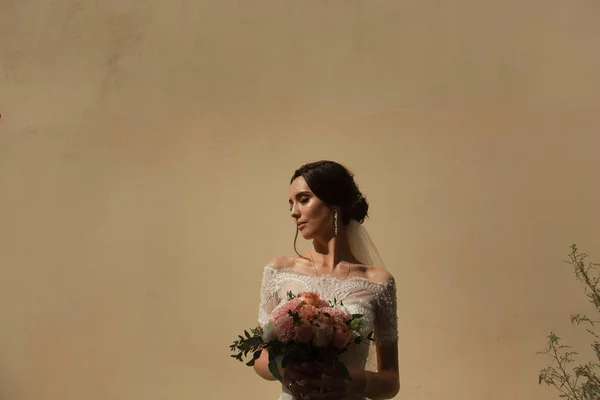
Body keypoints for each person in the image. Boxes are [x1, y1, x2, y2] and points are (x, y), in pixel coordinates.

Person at [253, 160, 400, 400]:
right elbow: (260, 356)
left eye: (303, 199)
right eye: (291, 203)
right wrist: (284, 368)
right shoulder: (279, 271)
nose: (294, 211)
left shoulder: (379, 282)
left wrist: (351, 381)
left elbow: (391, 381)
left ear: (334, 204)